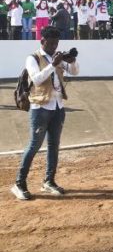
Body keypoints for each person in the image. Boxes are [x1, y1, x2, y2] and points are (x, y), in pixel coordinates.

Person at [11, 26, 80, 201]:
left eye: (56, 43)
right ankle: (19, 184)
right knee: (34, 145)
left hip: (57, 107)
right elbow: (37, 79)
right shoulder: (32, 58)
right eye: (50, 44)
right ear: (42, 42)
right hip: (39, 107)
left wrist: (72, 61)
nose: (54, 47)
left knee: (53, 146)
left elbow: (75, 71)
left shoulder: (56, 57)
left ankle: (49, 181)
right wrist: (53, 64)